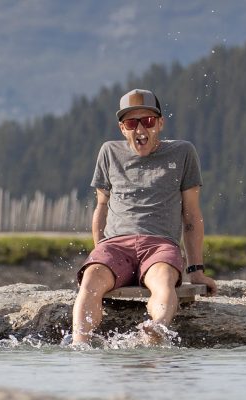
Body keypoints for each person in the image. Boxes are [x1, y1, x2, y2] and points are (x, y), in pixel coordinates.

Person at [70, 89, 216, 347]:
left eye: (147, 121)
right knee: (91, 277)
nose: (140, 129)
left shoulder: (183, 152)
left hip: (160, 245)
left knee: (164, 279)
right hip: (115, 245)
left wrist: (196, 271)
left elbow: (191, 215)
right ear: (122, 128)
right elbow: (101, 207)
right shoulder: (108, 152)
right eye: (131, 123)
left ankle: (155, 329)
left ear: (160, 123)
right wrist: (100, 253)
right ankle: (79, 345)